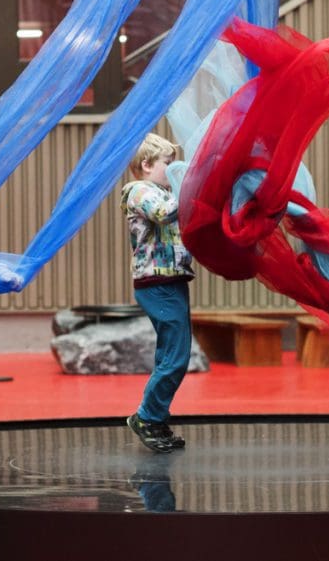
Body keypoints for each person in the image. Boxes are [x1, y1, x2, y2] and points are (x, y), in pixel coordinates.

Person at [121, 133, 195, 453]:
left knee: (170, 354)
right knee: (176, 356)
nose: (174, 169)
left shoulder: (164, 190)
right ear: (147, 165)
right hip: (156, 283)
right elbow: (164, 212)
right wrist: (190, 186)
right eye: (168, 163)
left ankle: (157, 417)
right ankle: (147, 417)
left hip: (172, 281)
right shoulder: (138, 191)